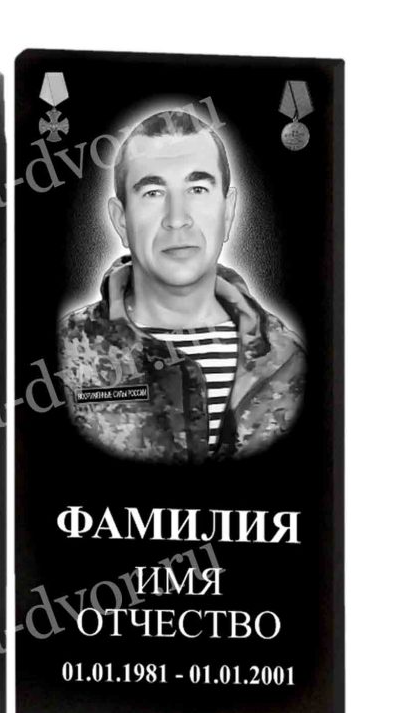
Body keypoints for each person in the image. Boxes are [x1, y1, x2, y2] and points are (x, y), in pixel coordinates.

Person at [58, 110, 305, 463]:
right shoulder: (65, 355)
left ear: (228, 212)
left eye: (197, 189)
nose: (177, 219)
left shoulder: (288, 360)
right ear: (121, 220)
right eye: (153, 192)